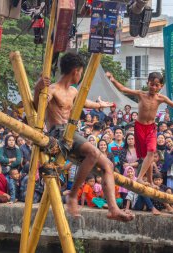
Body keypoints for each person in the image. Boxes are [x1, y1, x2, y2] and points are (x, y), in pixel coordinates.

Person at [34, 52, 133, 221]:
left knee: (108, 165)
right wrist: (38, 89)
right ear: (76, 71)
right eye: (80, 72)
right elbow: (38, 107)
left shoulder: (73, 91)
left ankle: (113, 209)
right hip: (58, 132)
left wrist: (101, 105)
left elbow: (86, 103)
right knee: (94, 153)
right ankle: (72, 196)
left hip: (72, 133)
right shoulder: (52, 89)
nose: (80, 75)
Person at [107, 71, 173, 185]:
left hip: (151, 128)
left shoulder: (160, 98)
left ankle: (140, 177)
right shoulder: (141, 94)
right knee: (146, 156)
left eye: (156, 85)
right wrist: (113, 79)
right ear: (147, 83)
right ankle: (149, 181)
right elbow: (123, 89)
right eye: (151, 84)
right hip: (139, 127)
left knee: (152, 151)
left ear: (161, 86)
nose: (154, 87)